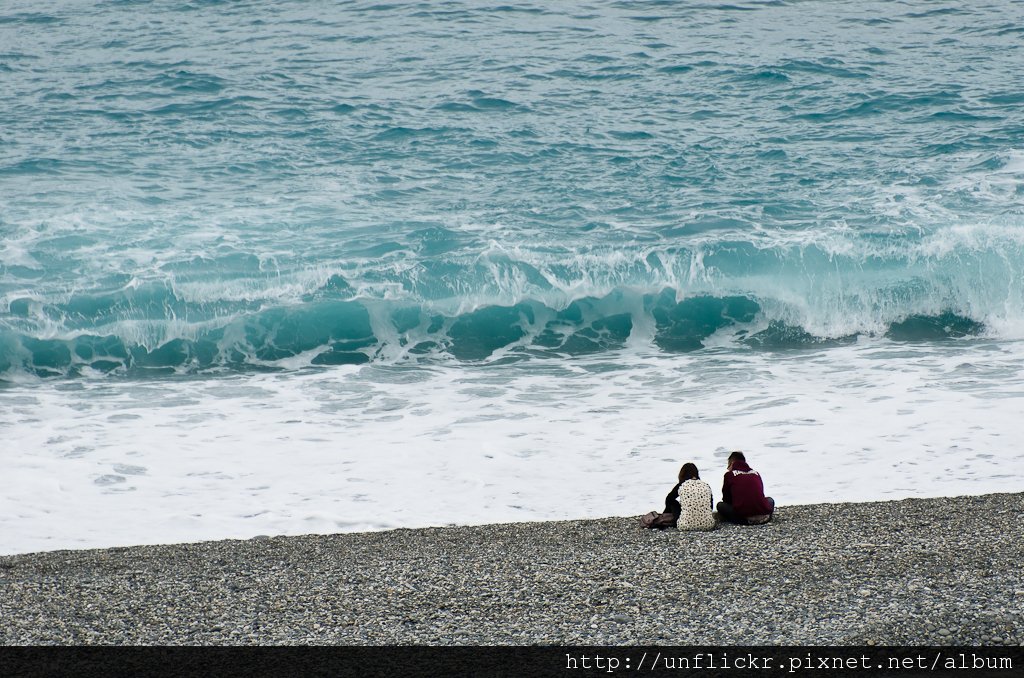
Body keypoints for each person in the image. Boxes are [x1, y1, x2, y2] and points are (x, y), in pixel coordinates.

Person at [717, 451, 775, 525]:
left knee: (720, 505)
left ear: (732, 463)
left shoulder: (729, 475)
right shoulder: (756, 473)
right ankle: (764, 517)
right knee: (770, 500)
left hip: (744, 518)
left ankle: (745, 520)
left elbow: (726, 498)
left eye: (728, 465)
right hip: (764, 515)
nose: (728, 468)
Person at [676, 462, 716, 531]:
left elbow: (669, 499)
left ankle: (669, 519)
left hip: (685, 525)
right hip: (708, 525)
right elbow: (711, 506)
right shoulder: (705, 485)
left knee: (672, 502)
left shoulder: (682, 485)